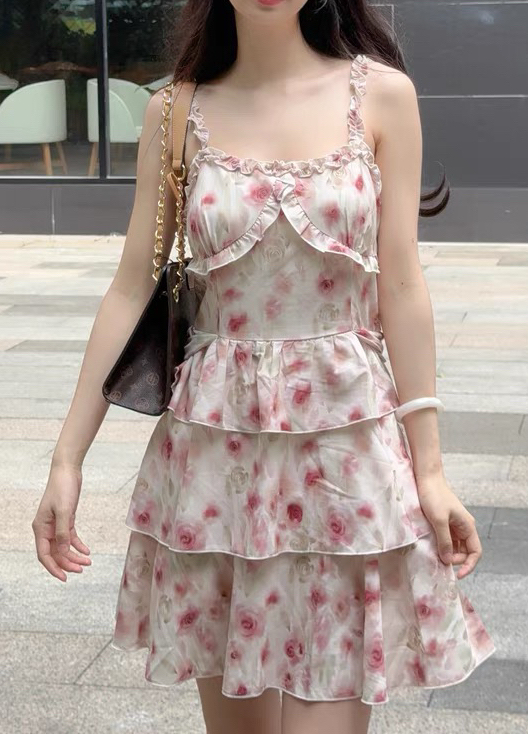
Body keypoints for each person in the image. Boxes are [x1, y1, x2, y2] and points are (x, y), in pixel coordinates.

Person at [32, 1, 496, 733]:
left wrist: (430, 470)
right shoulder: (175, 112)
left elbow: (402, 286)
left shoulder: (381, 97)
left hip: (346, 447)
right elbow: (131, 286)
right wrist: (67, 459)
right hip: (216, 456)